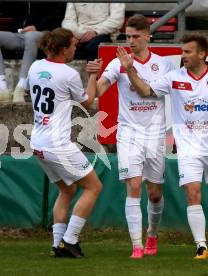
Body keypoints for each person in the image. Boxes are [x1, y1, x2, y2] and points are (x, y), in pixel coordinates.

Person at [117, 34, 208, 259]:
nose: (183, 55)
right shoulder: (174, 77)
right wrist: (130, 70)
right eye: (182, 51)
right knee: (192, 192)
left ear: (202, 54)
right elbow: (146, 90)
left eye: (188, 52)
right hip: (187, 147)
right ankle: (201, 245)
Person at [86, 14, 174, 259]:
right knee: (134, 185)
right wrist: (92, 75)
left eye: (136, 36)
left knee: (155, 193)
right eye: (128, 36)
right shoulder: (117, 63)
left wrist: (130, 69)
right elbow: (96, 94)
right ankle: (136, 245)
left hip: (155, 134)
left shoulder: (163, 64)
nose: (131, 41)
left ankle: (152, 236)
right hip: (128, 132)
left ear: (148, 36)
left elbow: (149, 93)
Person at [26, 27, 102, 258]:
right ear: (62, 48)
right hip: (57, 143)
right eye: (73, 45)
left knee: (67, 190)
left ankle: (57, 244)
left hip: (38, 141)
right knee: (93, 187)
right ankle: (70, 240)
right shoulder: (67, 73)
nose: (75, 48)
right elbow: (88, 103)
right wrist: (92, 76)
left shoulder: (35, 66)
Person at [0, 1, 66, 103]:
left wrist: (37, 27)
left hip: (46, 33)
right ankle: (2, 90)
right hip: (21, 33)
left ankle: (21, 88)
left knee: (31, 36)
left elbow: (59, 12)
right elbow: (4, 9)